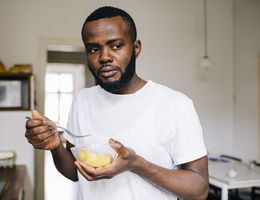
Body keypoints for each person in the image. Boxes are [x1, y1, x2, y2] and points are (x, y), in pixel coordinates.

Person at [25, 6, 209, 200]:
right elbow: (75, 173)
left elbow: (199, 190)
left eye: (116, 46)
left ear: (136, 48)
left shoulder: (176, 105)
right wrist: (55, 146)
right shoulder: (82, 101)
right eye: (94, 49)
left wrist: (137, 164)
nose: (104, 57)